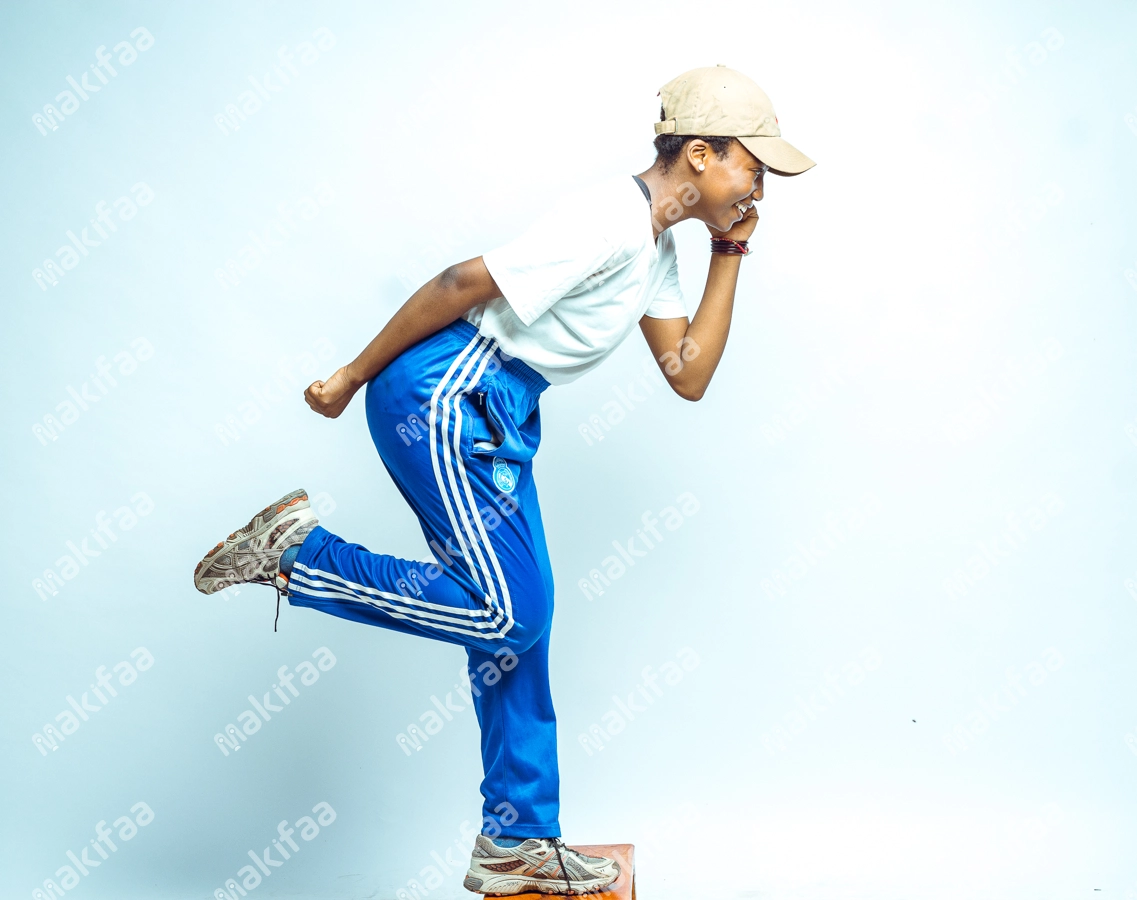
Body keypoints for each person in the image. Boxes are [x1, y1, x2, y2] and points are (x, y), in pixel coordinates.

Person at [193, 65, 813, 896]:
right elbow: (461, 284)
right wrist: (349, 375)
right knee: (506, 611)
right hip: (448, 391)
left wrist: (729, 249)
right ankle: (296, 557)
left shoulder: (657, 244)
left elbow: (686, 371)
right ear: (699, 154)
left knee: (524, 620)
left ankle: (516, 842)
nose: (761, 182)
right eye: (752, 162)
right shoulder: (611, 221)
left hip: (496, 412)